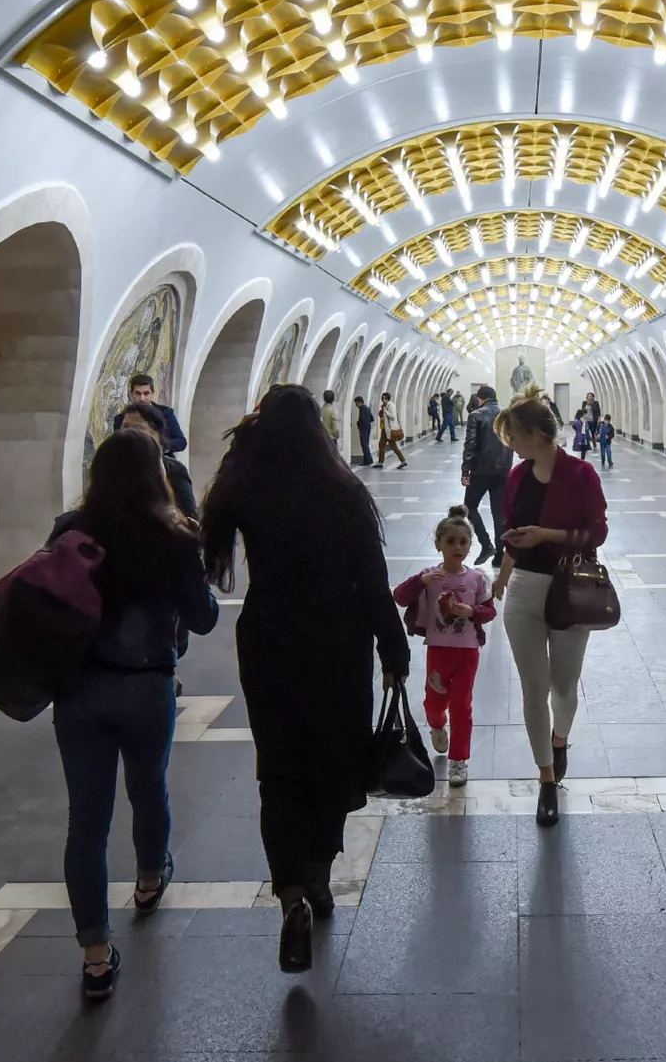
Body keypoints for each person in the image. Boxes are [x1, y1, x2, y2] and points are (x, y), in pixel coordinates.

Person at [202, 385, 410, 973]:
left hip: (268, 637)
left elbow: (209, 539)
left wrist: (243, 442)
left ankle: (290, 891)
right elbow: (372, 581)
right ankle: (317, 875)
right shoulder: (342, 490)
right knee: (333, 756)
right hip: (336, 643)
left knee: (280, 764)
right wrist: (394, 650)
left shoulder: (247, 485)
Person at [48, 427, 218, 1001]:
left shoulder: (71, 530)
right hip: (146, 685)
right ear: (157, 476)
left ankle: (96, 955)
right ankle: (149, 880)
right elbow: (204, 619)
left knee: (86, 822)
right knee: (149, 789)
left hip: (77, 691)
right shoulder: (172, 534)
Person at [491, 386, 608, 828]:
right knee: (532, 688)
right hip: (523, 588)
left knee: (564, 687)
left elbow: (596, 534)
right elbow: (515, 531)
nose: (511, 446)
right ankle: (545, 780)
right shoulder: (517, 477)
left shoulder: (580, 475)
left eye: (514, 437)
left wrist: (548, 535)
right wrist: (504, 570)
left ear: (538, 434)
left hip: (569, 589)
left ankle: (560, 741)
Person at [392, 506, 495, 788]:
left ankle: (459, 760)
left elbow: (489, 612)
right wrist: (420, 581)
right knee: (434, 704)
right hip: (438, 651)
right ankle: (437, 725)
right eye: (450, 541)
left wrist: (472, 611)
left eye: (463, 542)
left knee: (462, 705)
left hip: (467, 652)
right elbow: (400, 597)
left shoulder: (476, 579)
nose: (457, 547)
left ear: (470, 546)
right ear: (438, 544)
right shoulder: (429, 577)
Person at [113, 402, 199, 519]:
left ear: (156, 435)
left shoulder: (174, 470)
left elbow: (190, 518)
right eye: (125, 428)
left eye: (137, 429)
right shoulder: (112, 467)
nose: (129, 435)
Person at [460, 385, 513, 565]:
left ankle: (486, 544)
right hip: (503, 470)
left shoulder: (476, 415)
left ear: (480, 399)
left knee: (469, 507)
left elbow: (470, 445)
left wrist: (465, 471)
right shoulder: (507, 415)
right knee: (499, 513)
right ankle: (500, 554)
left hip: (480, 470)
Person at [111, 373, 187, 456]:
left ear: (153, 394)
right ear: (131, 394)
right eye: (138, 393)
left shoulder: (166, 413)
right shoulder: (121, 419)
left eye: (146, 393)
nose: (142, 398)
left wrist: (160, 446)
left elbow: (181, 442)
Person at [377, 391, 409, 468]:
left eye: (383, 398)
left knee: (393, 446)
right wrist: (382, 410)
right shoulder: (384, 406)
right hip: (385, 430)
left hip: (390, 430)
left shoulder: (391, 406)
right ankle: (380, 462)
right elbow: (381, 415)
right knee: (381, 445)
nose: (382, 399)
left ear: (387, 399)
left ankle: (403, 460)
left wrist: (385, 411)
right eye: (382, 398)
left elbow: (393, 417)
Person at [353, 395, 375, 467]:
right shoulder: (367, 408)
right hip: (368, 428)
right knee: (366, 444)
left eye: (356, 403)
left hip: (363, 429)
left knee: (364, 445)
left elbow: (362, 419)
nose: (356, 405)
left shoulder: (362, 409)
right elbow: (372, 418)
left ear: (359, 402)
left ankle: (367, 460)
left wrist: (358, 423)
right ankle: (368, 460)